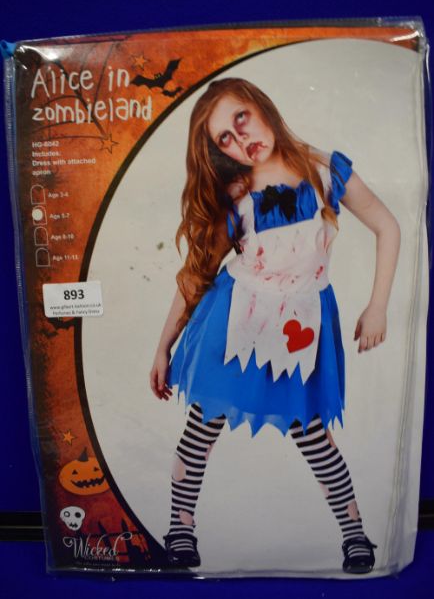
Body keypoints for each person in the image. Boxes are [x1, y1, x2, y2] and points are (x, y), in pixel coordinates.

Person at [149, 77, 400, 574]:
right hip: (234, 323)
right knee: (202, 425)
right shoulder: (236, 195)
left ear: (260, 105)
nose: (240, 139)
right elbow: (197, 274)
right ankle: (180, 527)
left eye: (240, 118)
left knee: (314, 434)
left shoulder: (325, 171)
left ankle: (354, 533)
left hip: (301, 326)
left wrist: (378, 306)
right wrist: (163, 346)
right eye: (224, 138)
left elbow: (387, 225)